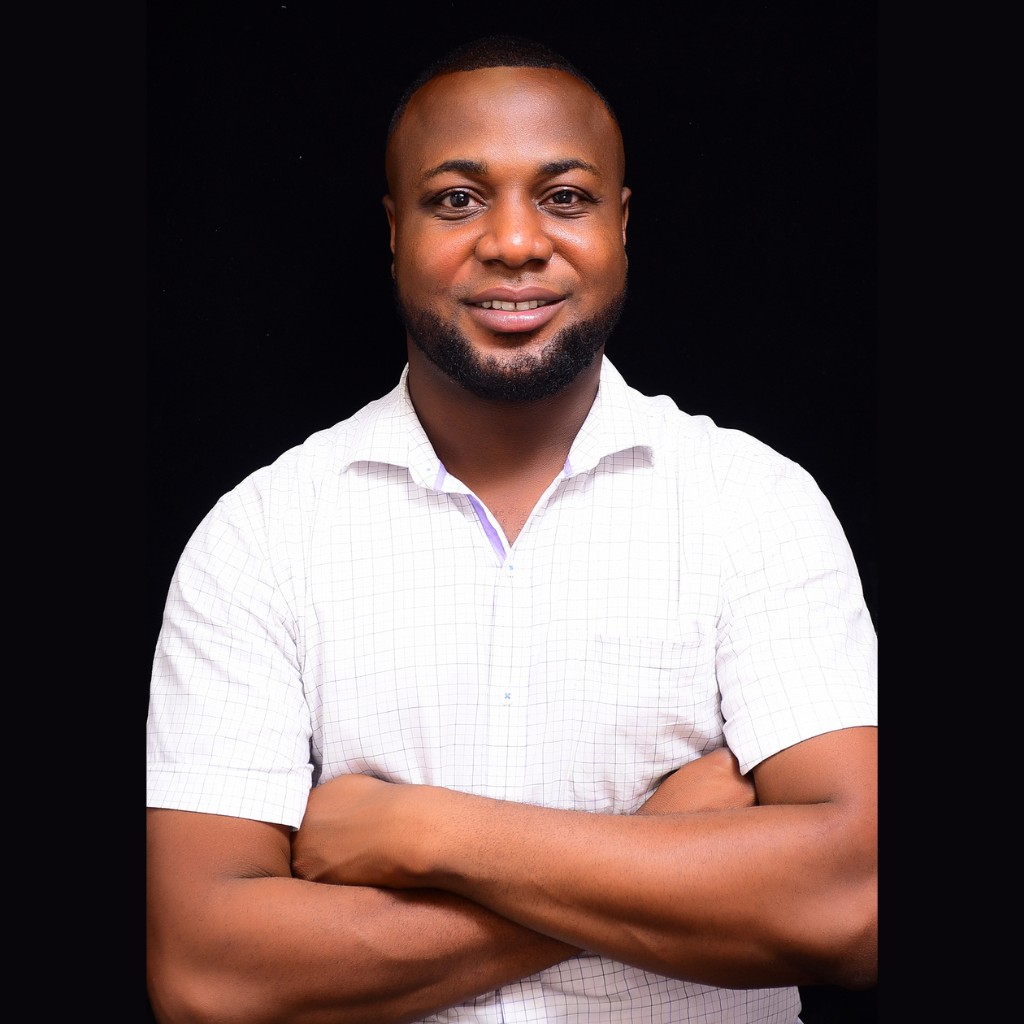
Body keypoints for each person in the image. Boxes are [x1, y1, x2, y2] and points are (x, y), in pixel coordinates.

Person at [147, 36, 877, 1024]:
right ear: (394, 231)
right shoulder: (261, 537)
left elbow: (856, 906)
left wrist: (422, 832)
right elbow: (207, 975)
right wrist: (655, 854)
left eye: (564, 197)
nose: (517, 242)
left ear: (621, 224)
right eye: (457, 199)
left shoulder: (754, 503)